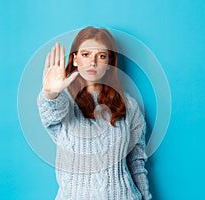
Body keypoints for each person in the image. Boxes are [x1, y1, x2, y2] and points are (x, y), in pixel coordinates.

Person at [37, 26, 152, 200]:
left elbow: (136, 163)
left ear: (108, 64)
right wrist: (50, 93)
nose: (93, 62)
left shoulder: (129, 105)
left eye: (101, 56)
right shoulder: (63, 101)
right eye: (86, 54)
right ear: (75, 59)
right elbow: (50, 113)